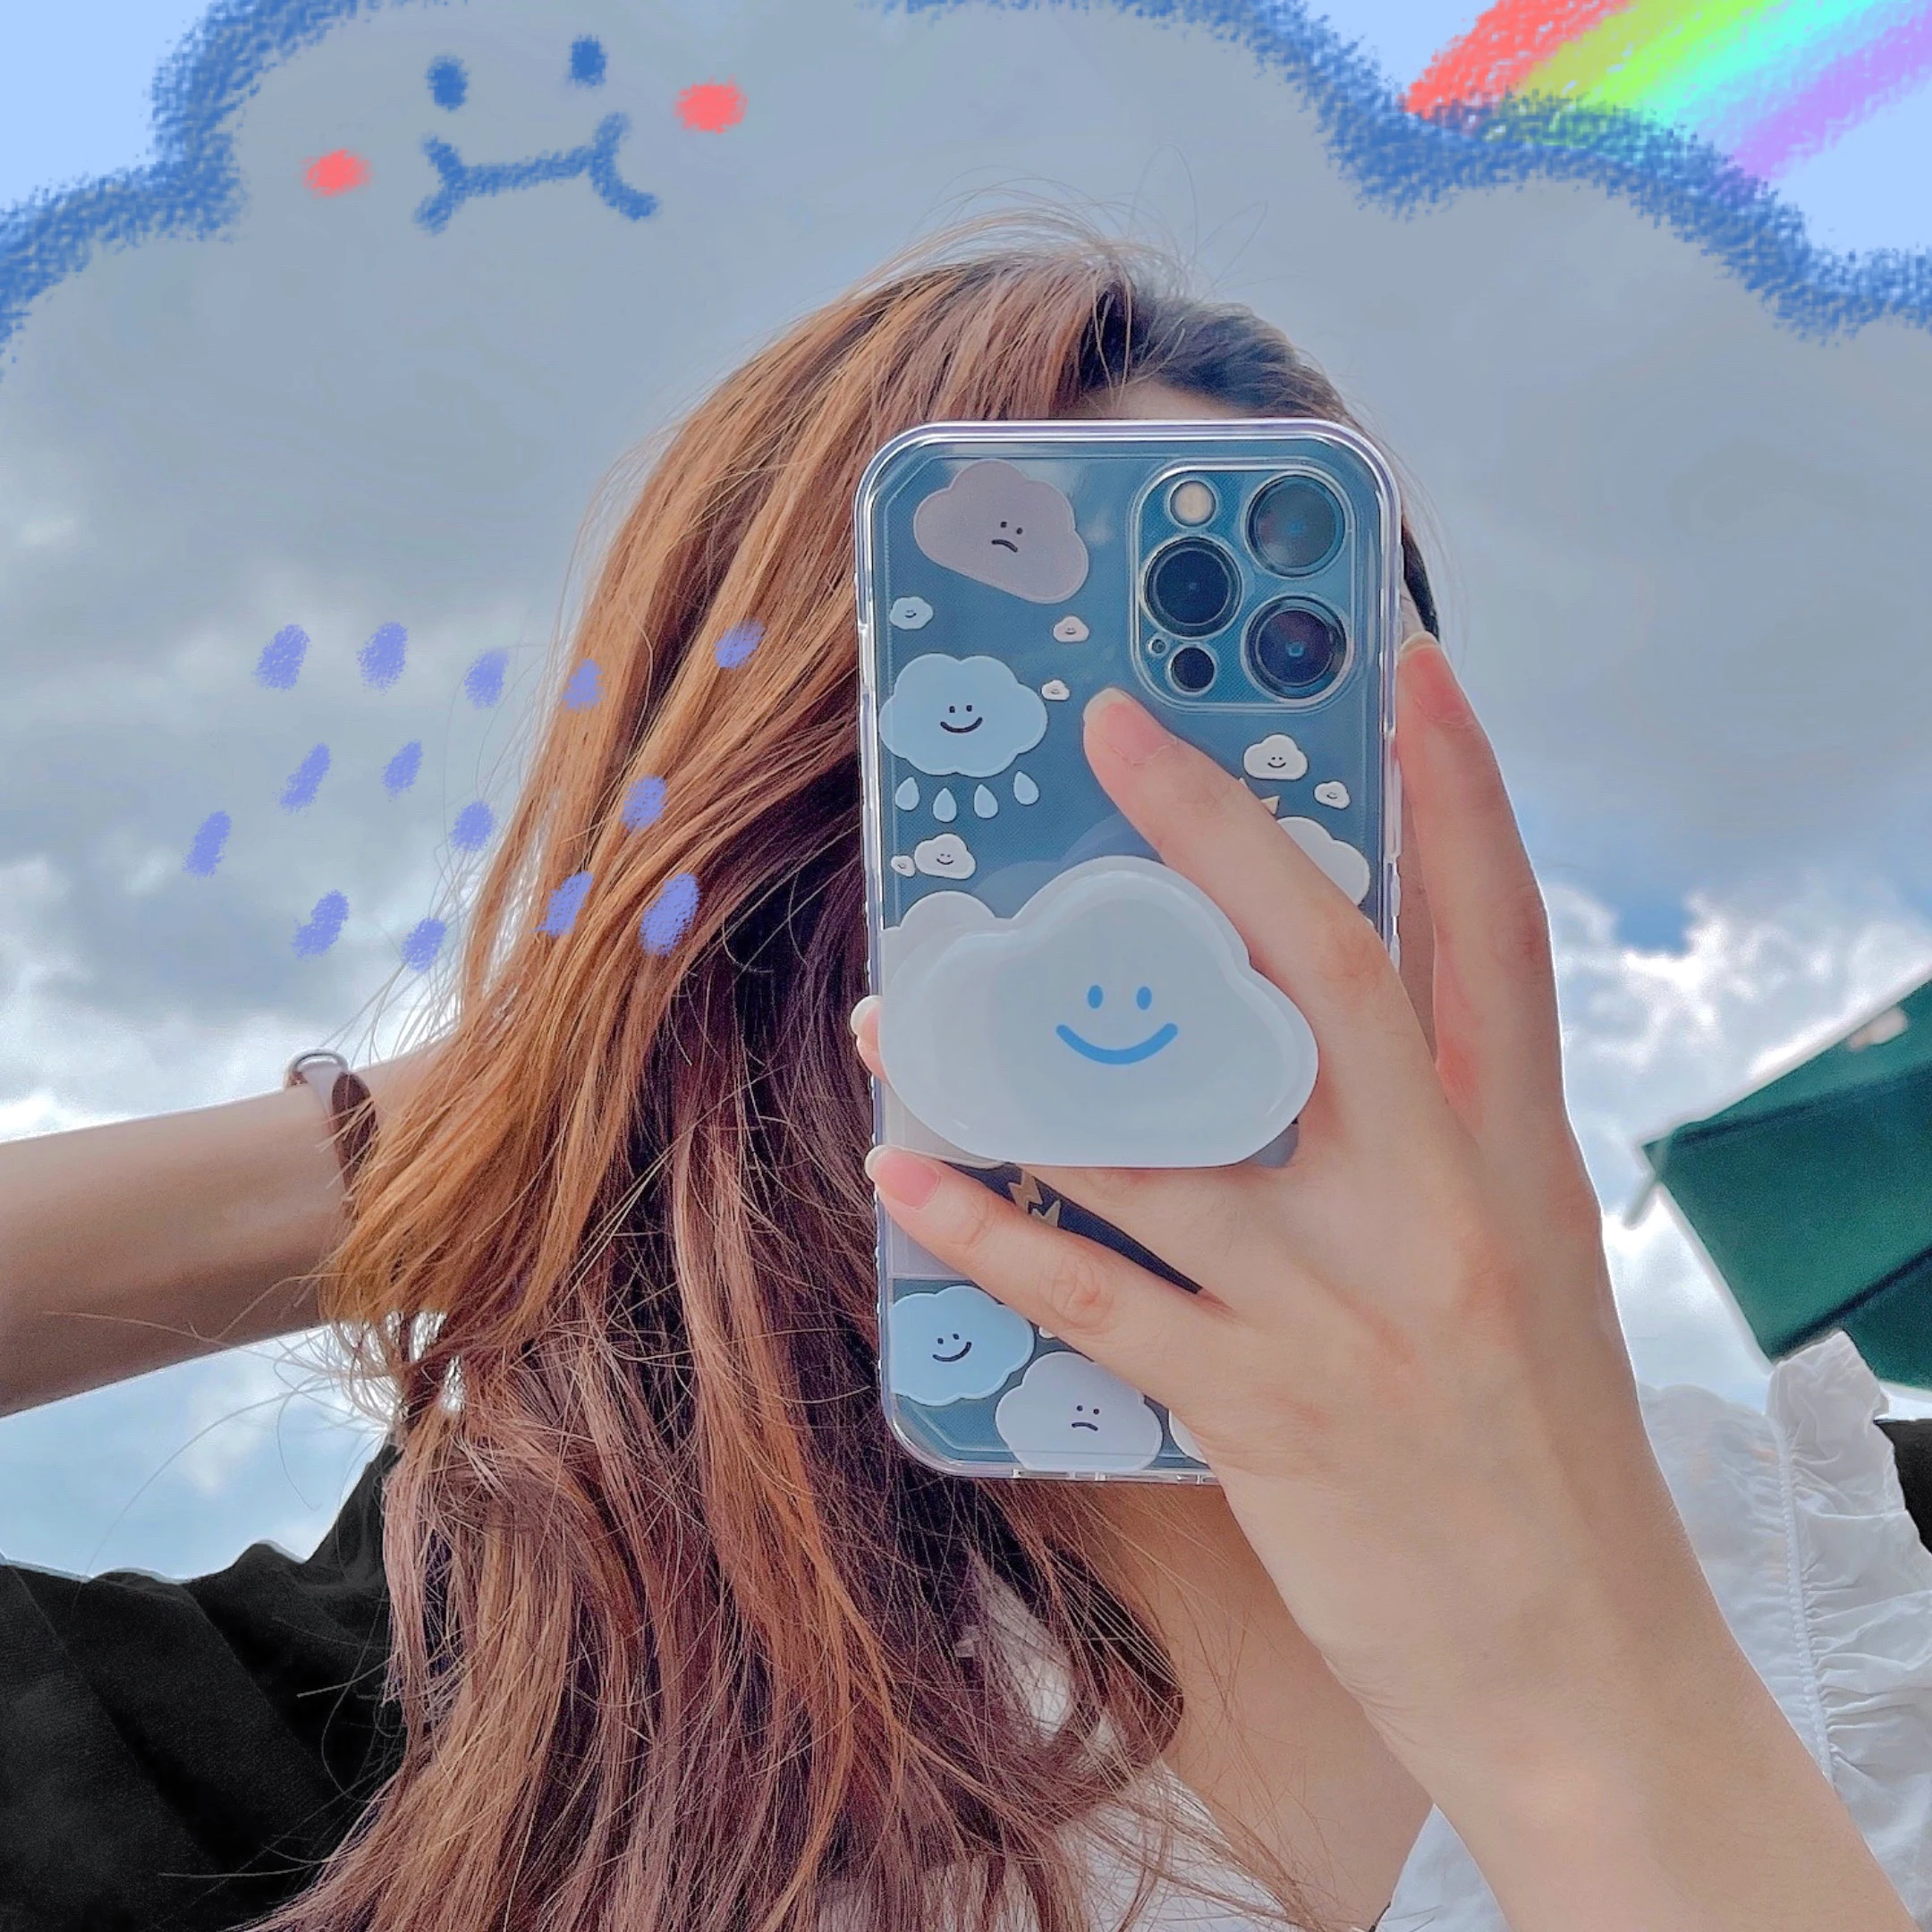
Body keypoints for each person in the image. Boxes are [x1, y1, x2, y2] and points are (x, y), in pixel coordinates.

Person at [4, 214, 1932, 1932]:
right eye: (957, 786)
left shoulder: (1870, 1569)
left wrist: (1578, 1674)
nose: (1142, 897)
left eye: (1274, 746)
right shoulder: (471, 1692)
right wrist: (495, 1131)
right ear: (753, 910)